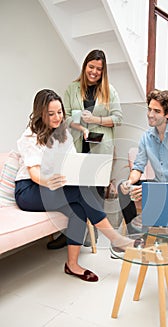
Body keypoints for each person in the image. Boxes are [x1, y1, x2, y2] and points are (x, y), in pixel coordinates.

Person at [14, 89, 139, 282]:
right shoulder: (29, 137)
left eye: (60, 112)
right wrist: (50, 182)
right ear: (41, 114)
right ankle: (116, 239)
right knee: (80, 193)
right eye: (51, 114)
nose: (57, 118)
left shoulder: (63, 134)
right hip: (29, 189)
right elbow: (34, 173)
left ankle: (72, 265)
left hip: (52, 186)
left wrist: (87, 172)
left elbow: (72, 163)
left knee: (78, 206)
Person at [48, 49, 123, 249]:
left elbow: (118, 118)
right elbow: (63, 116)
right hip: (77, 145)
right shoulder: (72, 89)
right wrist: (81, 126)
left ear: (103, 71)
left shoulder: (109, 90)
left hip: (100, 148)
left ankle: (93, 236)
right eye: (91, 67)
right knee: (73, 189)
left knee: (96, 192)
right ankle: (71, 232)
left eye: (99, 69)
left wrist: (96, 120)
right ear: (85, 66)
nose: (94, 72)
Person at [118, 89, 168, 277]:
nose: (150, 114)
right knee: (122, 188)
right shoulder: (147, 137)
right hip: (160, 183)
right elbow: (138, 167)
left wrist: (155, 190)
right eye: (149, 109)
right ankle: (139, 240)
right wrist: (130, 182)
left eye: (156, 111)